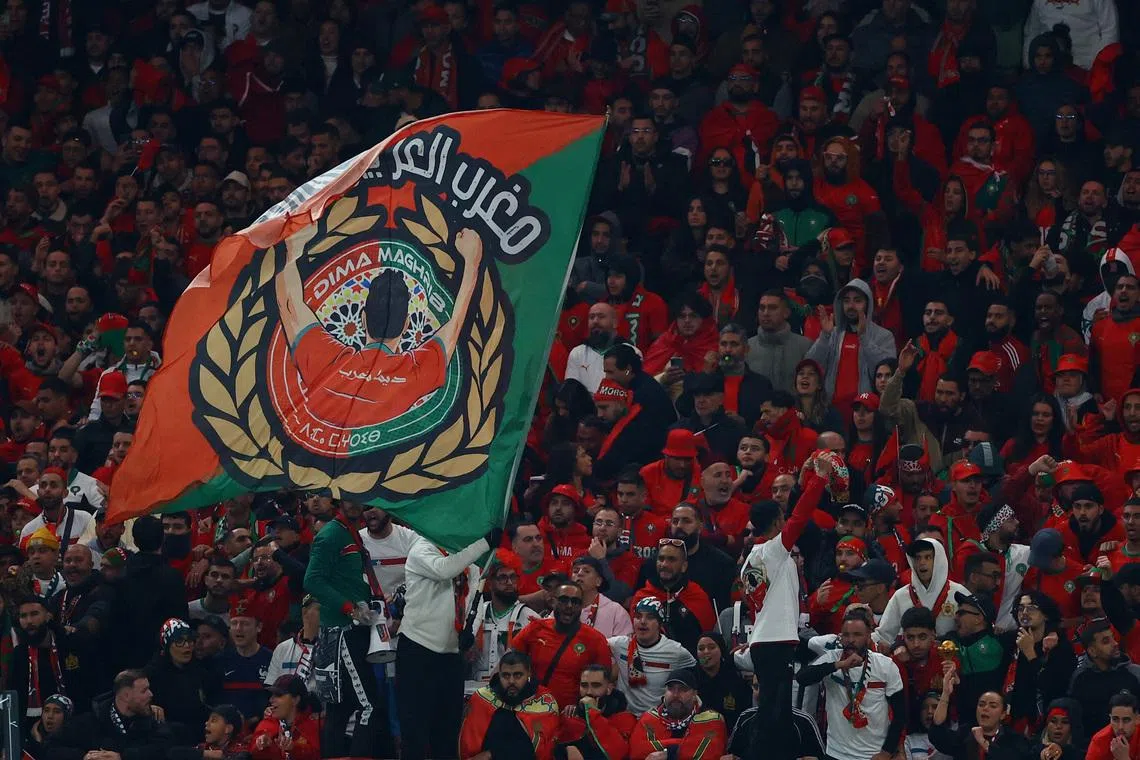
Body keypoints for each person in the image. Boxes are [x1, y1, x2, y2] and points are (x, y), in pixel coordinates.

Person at [741, 456, 828, 760]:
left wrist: (804, 478)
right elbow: (801, 515)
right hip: (775, 641)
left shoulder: (753, 558)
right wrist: (820, 480)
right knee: (774, 712)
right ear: (778, 522)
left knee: (774, 709)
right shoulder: (775, 551)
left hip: (767, 639)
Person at [396, 530, 492, 760]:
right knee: (415, 734)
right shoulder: (422, 547)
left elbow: (475, 599)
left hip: (451, 655)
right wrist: (484, 543)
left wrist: (471, 627)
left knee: (447, 733)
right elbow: (444, 569)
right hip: (417, 651)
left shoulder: (469, 557)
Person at [797, 610, 906, 760]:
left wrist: (887, 752)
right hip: (836, 753)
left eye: (857, 635)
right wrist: (839, 665)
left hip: (873, 754)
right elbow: (802, 678)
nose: (851, 640)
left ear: (868, 636)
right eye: (846, 635)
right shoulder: (832, 659)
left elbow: (900, 713)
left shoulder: (885, 665)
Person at [512, 582, 612, 710]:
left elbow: (603, 684)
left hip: (571, 716)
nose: (569, 606)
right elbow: (509, 662)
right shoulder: (535, 628)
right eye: (564, 600)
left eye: (575, 601)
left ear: (581, 606)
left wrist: (581, 707)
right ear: (553, 601)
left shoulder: (596, 640)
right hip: (533, 710)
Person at [459, 650, 561, 760]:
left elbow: (541, 746)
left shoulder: (544, 704)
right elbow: (469, 742)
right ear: (499, 674)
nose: (511, 681)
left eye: (518, 675)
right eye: (506, 675)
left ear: (529, 673)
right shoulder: (483, 699)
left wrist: (491, 754)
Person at [49, 669, 175, 758]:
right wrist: (84, 757)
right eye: (144, 691)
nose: (151, 694)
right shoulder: (90, 721)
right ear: (126, 695)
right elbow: (50, 747)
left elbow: (165, 749)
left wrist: (123, 757)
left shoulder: (153, 720)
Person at [468, 549, 542, 689]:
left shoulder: (530, 617)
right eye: (502, 578)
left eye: (513, 577)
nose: (509, 582)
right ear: (490, 583)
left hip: (513, 690)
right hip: (474, 687)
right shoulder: (476, 613)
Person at [608, 598, 696, 715]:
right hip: (625, 717)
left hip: (658, 719)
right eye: (638, 616)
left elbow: (697, 675)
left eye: (650, 617)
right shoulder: (619, 645)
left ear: (660, 623)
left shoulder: (676, 652)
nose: (643, 621)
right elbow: (593, 642)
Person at [628, 668, 727, 760]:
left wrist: (669, 754)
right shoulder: (649, 718)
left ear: (694, 694)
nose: (675, 694)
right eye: (671, 688)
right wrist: (684, 744)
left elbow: (710, 754)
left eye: (683, 689)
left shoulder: (712, 719)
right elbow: (637, 751)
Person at [556, 664, 637, 760]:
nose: (589, 692)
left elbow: (619, 754)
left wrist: (593, 713)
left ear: (609, 689)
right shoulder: (570, 716)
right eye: (584, 685)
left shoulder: (625, 719)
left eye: (596, 685)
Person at [1086, 692, 1140, 760]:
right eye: (1115, 719)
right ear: (1110, 718)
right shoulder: (1099, 740)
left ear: (1137, 719)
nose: (1120, 727)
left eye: (1126, 720)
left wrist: (1124, 758)